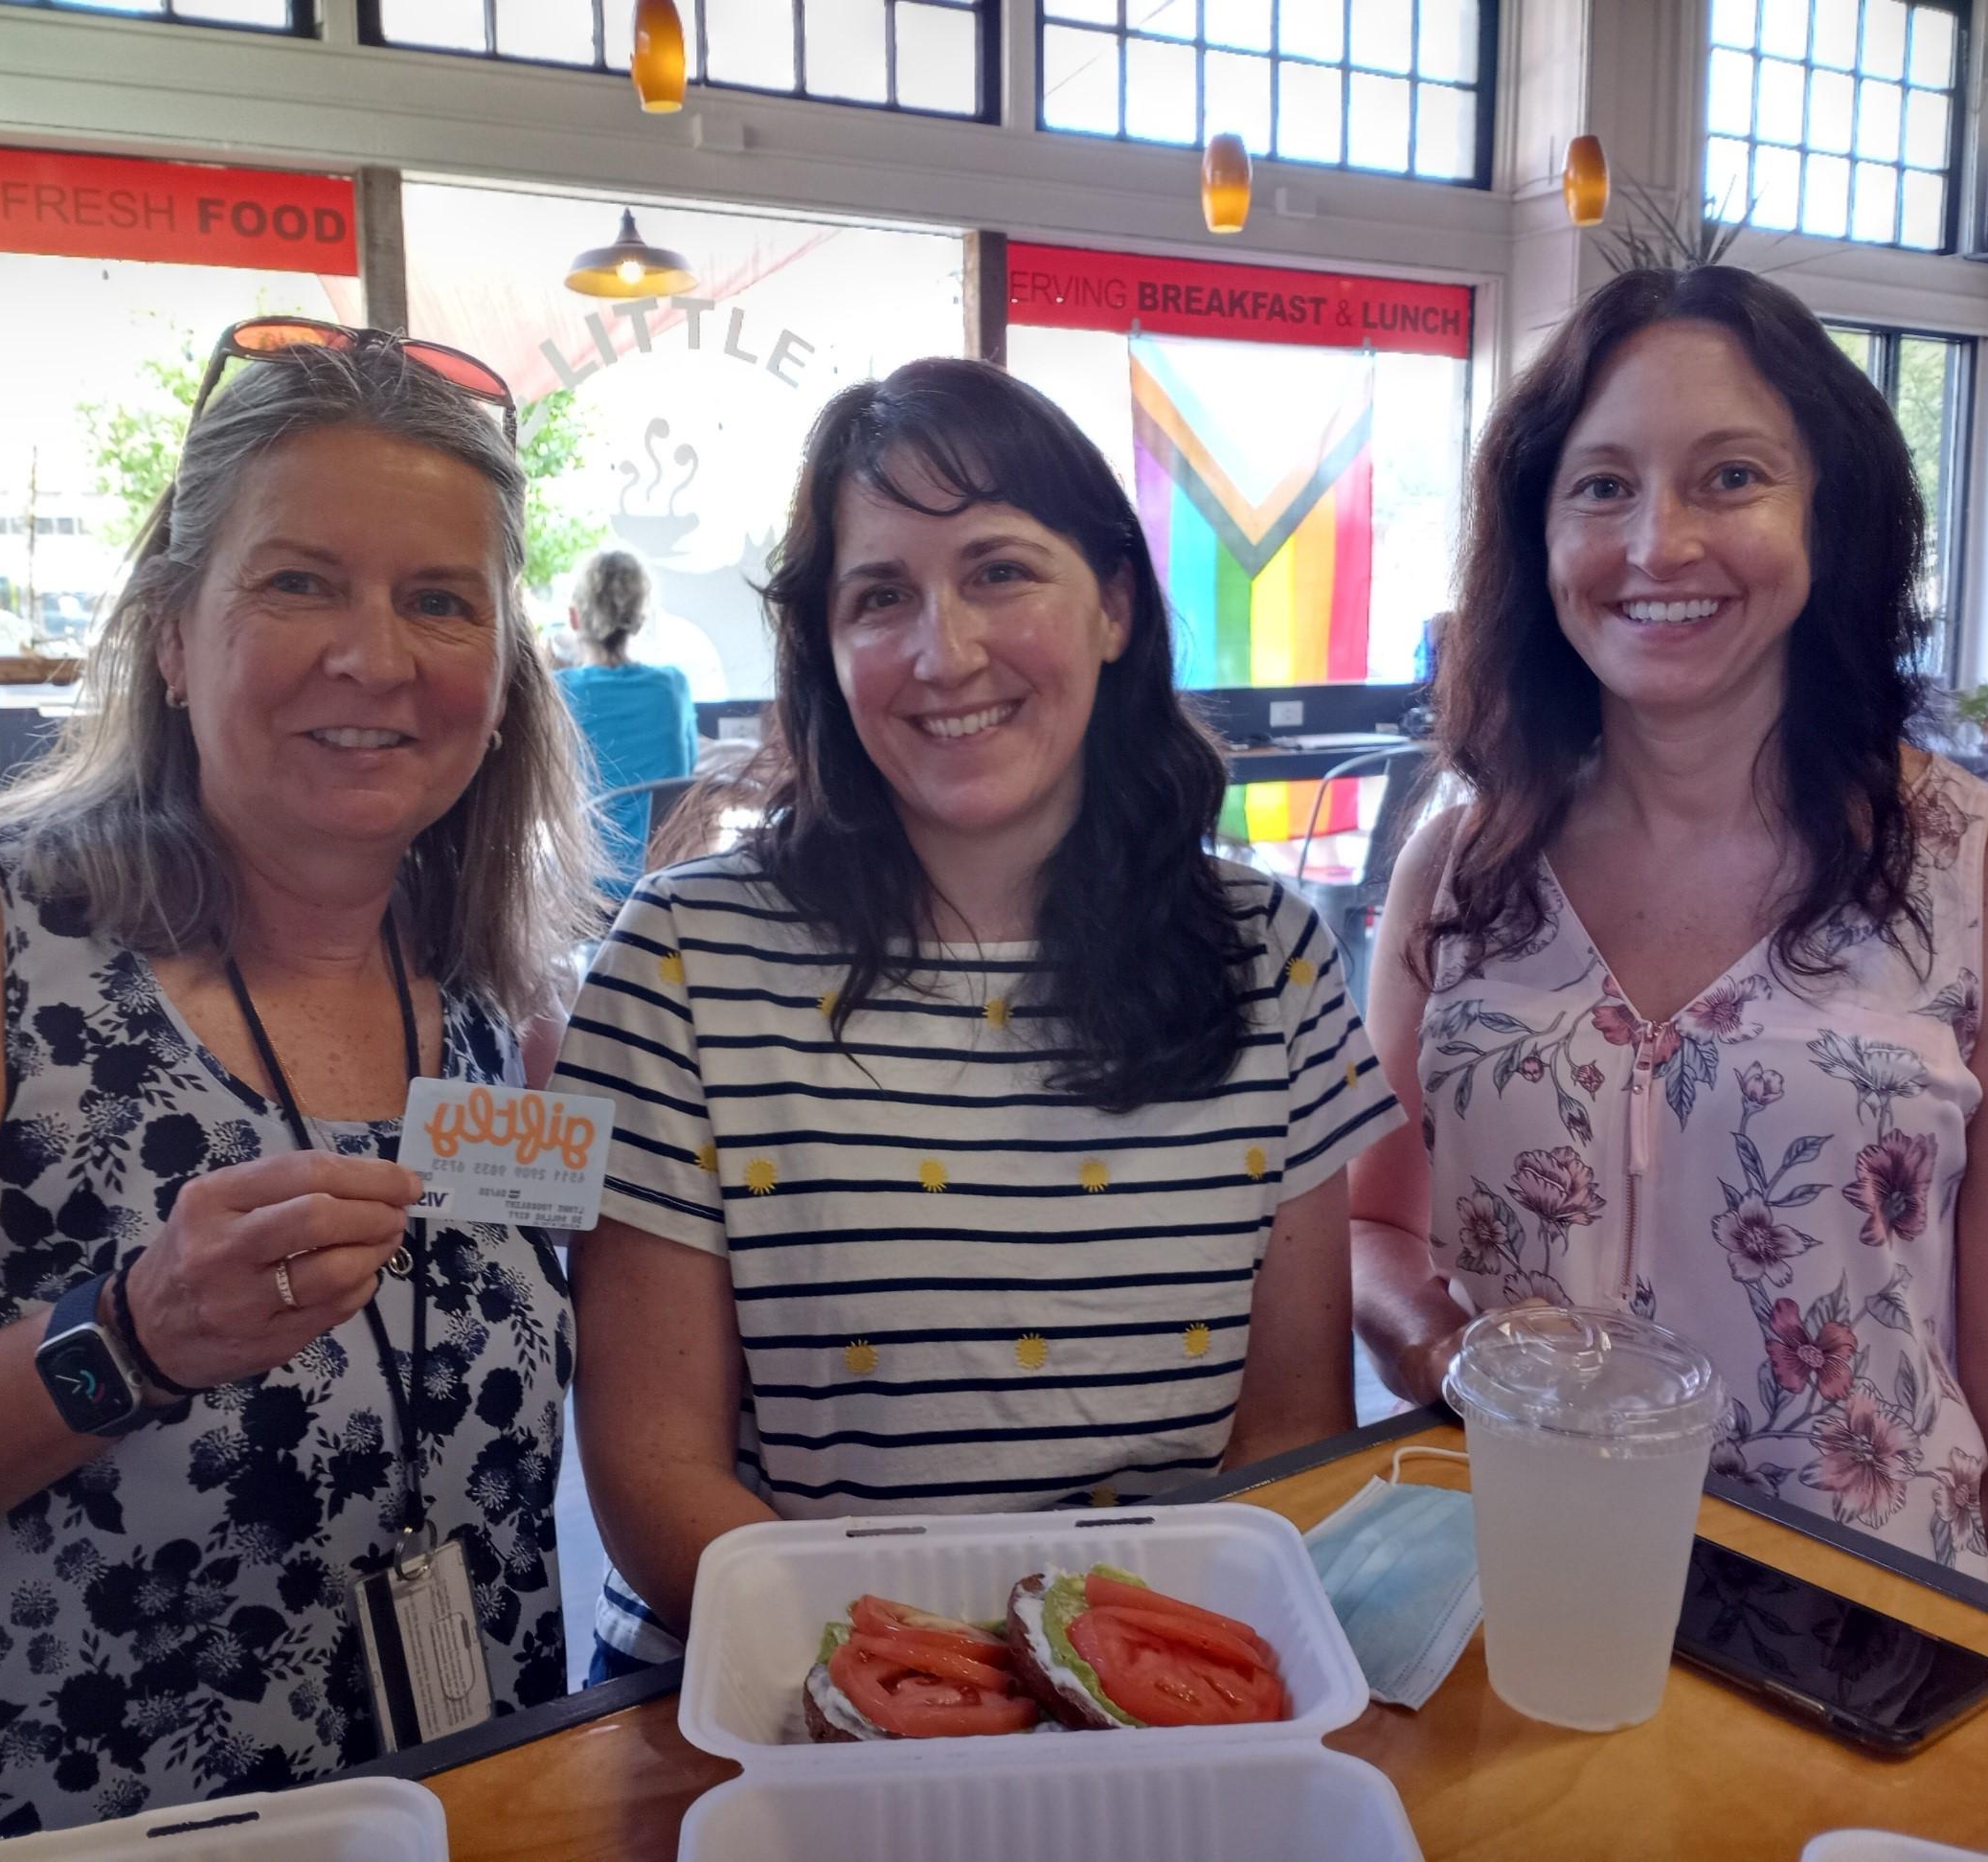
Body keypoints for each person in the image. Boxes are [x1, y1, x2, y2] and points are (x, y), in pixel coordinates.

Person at [0, 322, 604, 1857]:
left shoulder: (501, 994)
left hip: (439, 1811)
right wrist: (124, 1341)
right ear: (169, 633)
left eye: (439, 601)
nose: (376, 657)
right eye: (298, 583)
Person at [560, 357, 1402, 1680]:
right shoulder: (679, 956)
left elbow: (1283, 1438)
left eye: (1001, 572)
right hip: (775, 1696)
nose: (942, 651)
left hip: (1151, 1695)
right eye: (879, 595)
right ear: (826, 649)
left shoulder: (1272, 955)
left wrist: (1099, 1699)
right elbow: (655, 1476)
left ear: (1115, 604)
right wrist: (954, 1700)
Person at [1348, 267, 1988, 1625]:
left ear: (1833, 512)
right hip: (1503, 1588)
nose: (1656, 544)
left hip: (1861, 1623)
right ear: (1533, 533)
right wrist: (1431, 1343)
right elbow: (1370, 1217)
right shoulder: (1462, 862)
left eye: (1730, 477)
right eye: (1600, 487)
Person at [556, 550, 696, 891]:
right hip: (666, 885)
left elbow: (546, 795)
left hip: (588, 893)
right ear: (640, 618)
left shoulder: (559, 693)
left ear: (575, 618)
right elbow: (688, 773)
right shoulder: (672, 685)